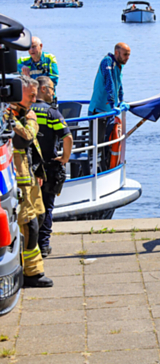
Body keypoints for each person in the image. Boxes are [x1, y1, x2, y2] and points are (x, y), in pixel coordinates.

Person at [8, 76, 52, 287]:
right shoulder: (8, 114)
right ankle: (32, 273)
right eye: (31, 96)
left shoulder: (22, 113)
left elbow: (32, 147)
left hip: (31, 177)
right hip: (18, 181)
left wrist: (39, 172)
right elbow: (25, 136)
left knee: (40, 218)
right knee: (30, 225)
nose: (35, 100)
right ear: (18, 93)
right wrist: (32, 120)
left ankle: (26, 265)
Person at [31, 76, 73, 258]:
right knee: (47, 206)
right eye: (51, 89)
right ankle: (44, 245)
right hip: (48, 166)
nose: (53, 92)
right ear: (43, 89)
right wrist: (64, 158)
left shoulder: (25, 110)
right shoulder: (51, 113)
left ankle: (28, 244)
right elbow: (67, 138)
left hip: (28, 167)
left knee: (29, 207)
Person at [88, 43, 130, 171]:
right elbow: (109, 83)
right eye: (125, 54)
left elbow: (119, 84)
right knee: (97, 144)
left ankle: (105, 168)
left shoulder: (118, 65)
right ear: (117, 53)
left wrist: (121, 100)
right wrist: (113, 104)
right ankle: (93, 170)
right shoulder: (107, 62)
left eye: (129, 55)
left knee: (107, 144)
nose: (127, 58)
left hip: (110, 112)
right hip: (98, 111)